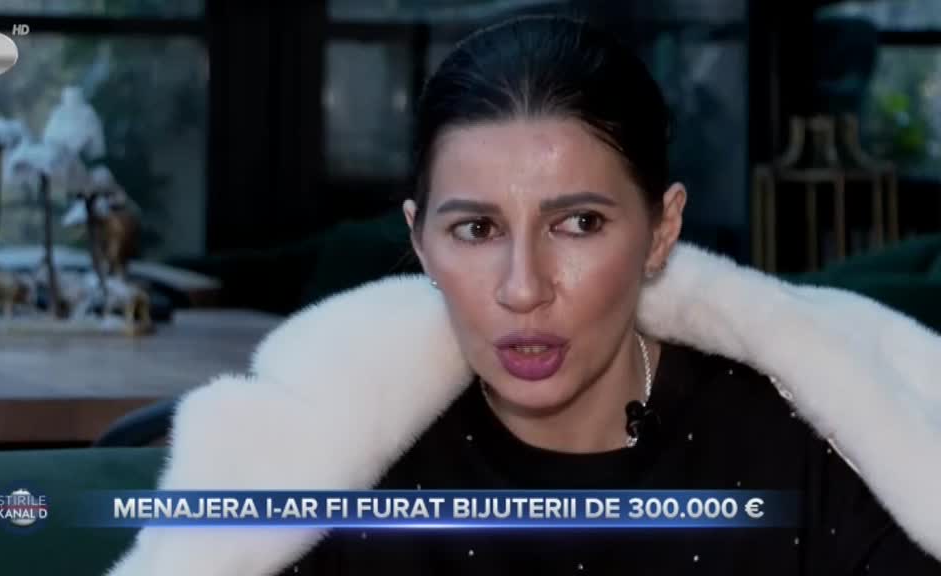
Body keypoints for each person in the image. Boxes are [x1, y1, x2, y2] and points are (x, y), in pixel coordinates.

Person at [106, 16, 941, 576]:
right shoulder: (336, 475)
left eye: (578, 224)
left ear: (661, 230)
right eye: (476, 229)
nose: (522, 288)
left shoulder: (801, 451)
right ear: (420, 241)